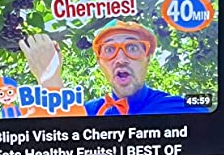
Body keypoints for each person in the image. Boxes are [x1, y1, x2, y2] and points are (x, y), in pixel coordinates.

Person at [20, 20, 189, 115]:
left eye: (132, 47)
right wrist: (50, 81)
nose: (121, 59)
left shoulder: (178, 108)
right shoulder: (86, 111)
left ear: (147, 58)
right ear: (100, 64)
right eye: (109, 50)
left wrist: (51, 82)